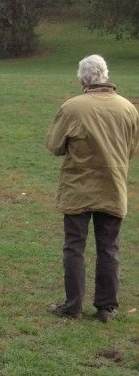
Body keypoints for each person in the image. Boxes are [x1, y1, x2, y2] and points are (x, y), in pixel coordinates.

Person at [46, 55, 139, 322]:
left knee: (74, 246)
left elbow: (55, 146)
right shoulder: (128, 109)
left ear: (82, 79)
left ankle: (73, 305)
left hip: (78, 187)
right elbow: (132, 149)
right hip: (113, 186)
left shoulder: (72, 108)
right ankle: (107, 307)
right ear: (106, 76)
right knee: (109, 247)